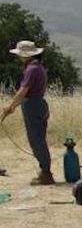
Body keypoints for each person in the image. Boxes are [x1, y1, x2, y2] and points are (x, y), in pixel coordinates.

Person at [1, 41, 54, 185]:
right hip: (38, 104)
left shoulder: (31, 69)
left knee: (36, 140)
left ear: (26, 55)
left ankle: (46, 173)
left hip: (32, 105)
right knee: (39, 139)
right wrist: (14, 106)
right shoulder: (39, 67)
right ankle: (45, 170)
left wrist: (11, 106)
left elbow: (23, 91)